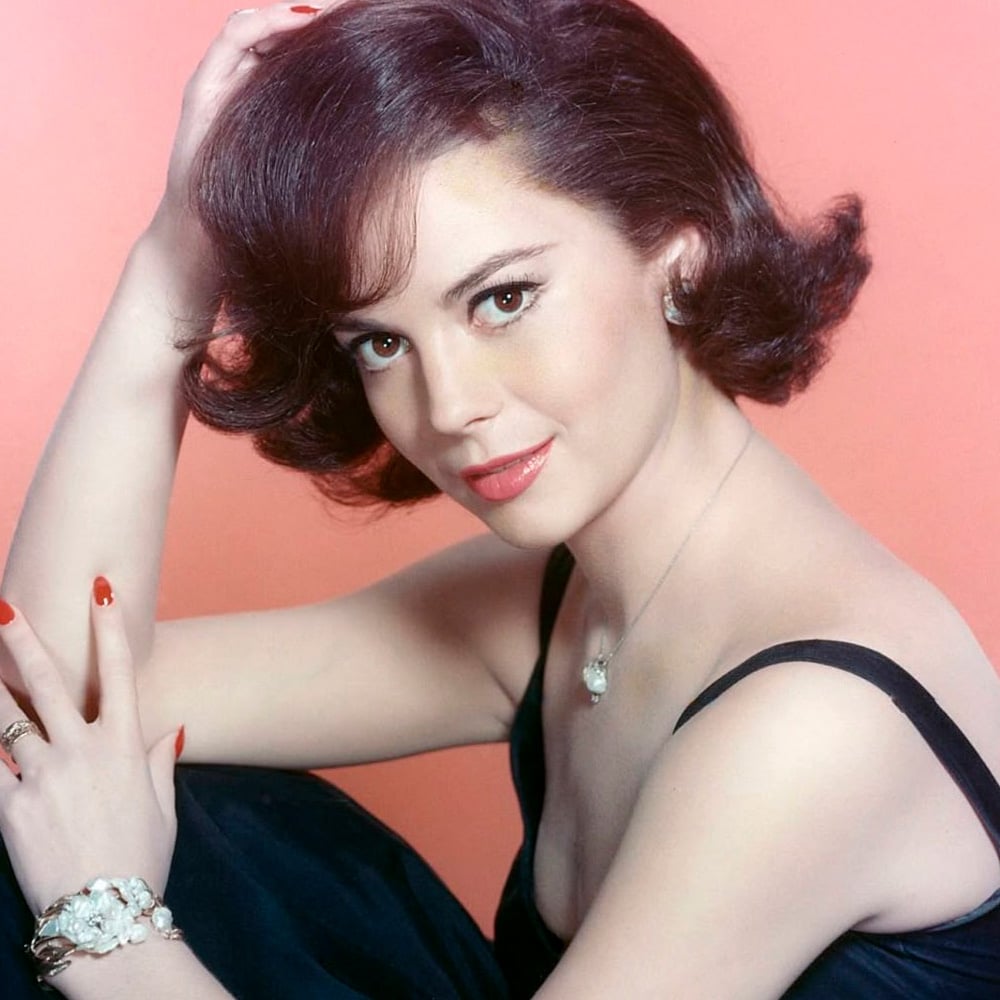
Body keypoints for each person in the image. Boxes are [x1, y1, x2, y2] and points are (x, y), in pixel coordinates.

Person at [0, 0, 998, 996]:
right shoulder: (562, 604)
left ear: (677, 252)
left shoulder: (816, 720)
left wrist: (103, 922)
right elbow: (56, 703)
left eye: (502, 298)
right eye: (380, 342)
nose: (448, 406)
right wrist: (176, 263)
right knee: (78, 795)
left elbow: (85, 851)